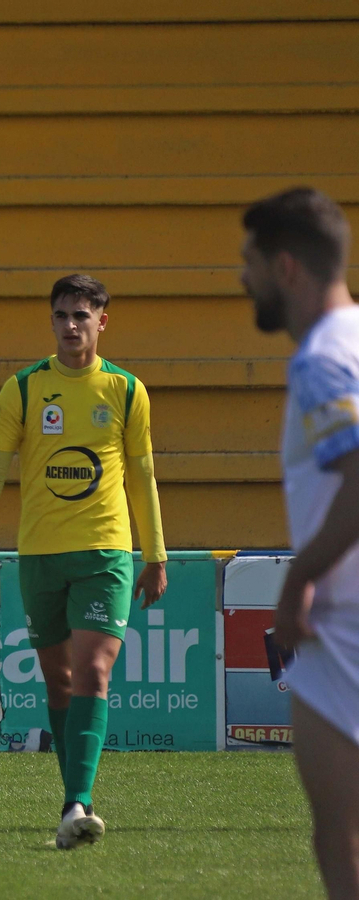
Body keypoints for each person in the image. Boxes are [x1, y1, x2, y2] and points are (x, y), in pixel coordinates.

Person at [0, 273, 169, 849]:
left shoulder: (128, 391)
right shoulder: (25, 389)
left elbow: (144, 477)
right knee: (59, 680)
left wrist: (154, 554)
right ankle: (71, 800)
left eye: (83, 315)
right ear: (51, 321)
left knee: (93, 673)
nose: (72, 325)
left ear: (103, 320)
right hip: (41, 557)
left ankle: (80, 800)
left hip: (105, 552)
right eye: (62, 315)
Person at [241, 186, 359, 897]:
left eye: (248, 260)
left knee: (340, 841)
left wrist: (296, 582)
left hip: (341, 631)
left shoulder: (321, 359)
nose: (241, 276)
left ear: (285, 267)